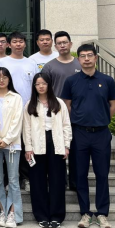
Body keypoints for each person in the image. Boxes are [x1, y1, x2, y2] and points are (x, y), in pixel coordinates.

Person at [61, 44, 115, 228]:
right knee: (80, 175)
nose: (86, 59)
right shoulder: (71, 81)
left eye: (89, 55)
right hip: (79, 133)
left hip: (101, 134)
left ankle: (102, 214)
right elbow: (67, 105)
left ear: (96, 58)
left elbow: (114, 104)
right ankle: (85, 213)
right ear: (78, 59)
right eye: (82, 56)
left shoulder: (107, 80)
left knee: (102, 174)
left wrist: (102, 119)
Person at [23, 73, 72, 228]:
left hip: (56, 144)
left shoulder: (58, 103)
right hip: (37, 145)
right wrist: (28, 147)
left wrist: (66, 146)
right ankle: (42, 216)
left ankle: (56, 216)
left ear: (49, 85)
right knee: (38, 182)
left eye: (44, 83)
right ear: (34, 86)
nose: (41, 86)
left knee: (57, 181)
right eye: (38, 84)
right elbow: (26, 128)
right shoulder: (30, 104)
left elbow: (66, 125)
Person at [0, 31, 38, 192]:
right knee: (8, 145)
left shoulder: (31, 63)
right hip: (7, 111)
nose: (18, 44)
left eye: (21, 41)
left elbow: (36, 86)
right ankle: (8, 180)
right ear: (9, 44)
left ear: (25, 44)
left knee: (26, 144)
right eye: (15, 41)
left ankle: (26, 178)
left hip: (28, 110)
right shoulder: (2, 63)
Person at [42, 31, 81, 191]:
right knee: (58, 150)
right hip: (56, 114)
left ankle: (75, 182)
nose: (62, 45)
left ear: (70, 44)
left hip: (78, 115)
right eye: (59, 43)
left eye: (65, 42)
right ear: (55, 46)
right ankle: (60, 181)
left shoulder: (80, 63)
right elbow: (43, 89)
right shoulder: (49, 66)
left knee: (76, 151)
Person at [0, 67, 24, 228]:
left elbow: (17, 121)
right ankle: (1, 211)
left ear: (9, 79)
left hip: (13, 144)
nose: (1, 80)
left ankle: (13, 214)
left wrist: (7, 139)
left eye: (4, 77)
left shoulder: (16, 97)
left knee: (13, 180)